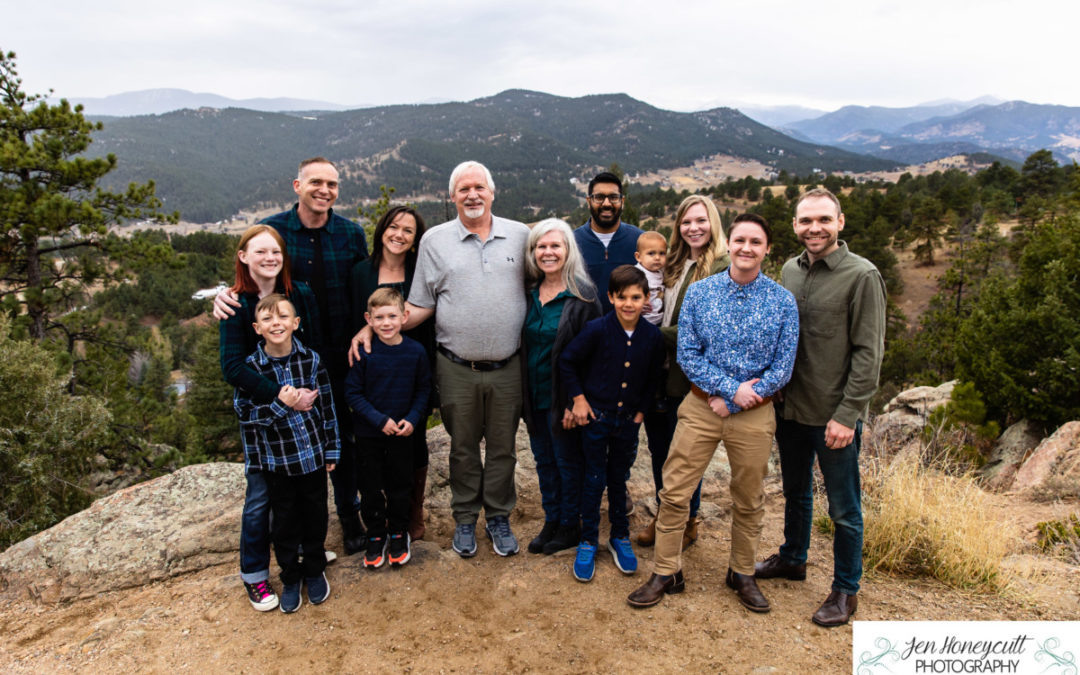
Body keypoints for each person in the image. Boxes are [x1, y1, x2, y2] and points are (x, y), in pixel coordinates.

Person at [351, 161, 529, 559]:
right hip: (455, 366)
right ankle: (465, 518)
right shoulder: (434, 240)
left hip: (509, 365)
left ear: (492, 192)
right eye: (463, 189)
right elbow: (419, 305)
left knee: (503, 448)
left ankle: (499, 516)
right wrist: (376, 327)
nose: (472, 195)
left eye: (479, 188)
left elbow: (544, 283)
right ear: (452, 197)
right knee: (462, 448)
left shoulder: (521, 235)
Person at [627, 214, 798, 611]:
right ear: (729, 244)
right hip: (702, 407)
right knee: (675, 492)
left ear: (767, 249)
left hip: (754, 412)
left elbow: (783, 366)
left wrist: (737, 398)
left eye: (756, 242)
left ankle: (742, 571)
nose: (746, 248)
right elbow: (687, 353)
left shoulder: (782, 301)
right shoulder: (702, 294)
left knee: (749, 496)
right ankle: (666, 571)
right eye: (740, 240)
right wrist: (725, 389)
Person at [215, 157, 369, 556]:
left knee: (342, 442)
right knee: (284, 455)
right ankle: (286, 543)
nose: (325, 190)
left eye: (332, 184)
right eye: (316, 182)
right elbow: (251, 274)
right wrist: (223, 295)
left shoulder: (352, 235)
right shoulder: (275, 231)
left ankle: (350, 520)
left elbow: (364, 288)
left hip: (339, 354)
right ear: (297, 185)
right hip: (283, 360)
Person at [754, 188, 886, 627]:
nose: (815, 228)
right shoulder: (790, 270)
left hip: (833, 416)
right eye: (806, 221)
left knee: (844, 509)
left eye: (823, 220)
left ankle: (846, 590)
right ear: (794, 225)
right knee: (795, 493)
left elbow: (869, 354)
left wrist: (848, 415)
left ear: (840, 222)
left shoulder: (862, 276)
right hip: (790, 409)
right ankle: (793, 558)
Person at [219, 225, 322, 612]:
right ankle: (255, 575)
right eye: (259, 252)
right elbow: (231, 368)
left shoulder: (300, 296)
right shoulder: (235, 304)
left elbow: (312, 345)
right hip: (264, 416)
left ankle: (301, 558)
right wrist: (277, 394)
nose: (269, 259)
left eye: (275, 252)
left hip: (303, 414)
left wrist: (311, 392)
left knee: (301, 495)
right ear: (243, 257)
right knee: (261, 497)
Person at [233, 294, 339, 614]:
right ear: (256, 328)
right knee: (284, 524)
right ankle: (291, 575)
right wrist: (282, 404)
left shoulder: (311, 360)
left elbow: (328, 408)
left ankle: (315, 566)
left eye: (283, 317)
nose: (276, 323)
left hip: (311, 459)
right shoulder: (251, 368)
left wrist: (332, 448)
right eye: (267, 319)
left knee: (315, 515)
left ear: (296, 323)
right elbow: (245, 414)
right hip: (277, 464)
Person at [559, 265, 665, 583]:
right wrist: (578, 399)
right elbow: (568, 361)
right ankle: (589, 539)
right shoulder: (597, 329)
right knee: (593, 479)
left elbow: (653, 377)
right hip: (596, 420)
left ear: (647, 298)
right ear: (611, 297)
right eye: (622, 298)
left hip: (627, 423)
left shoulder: (652, 336)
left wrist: (641, 412)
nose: (629, 304)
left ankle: (619, 536)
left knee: (618, 479)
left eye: (636, 297)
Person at [637, 195, 729, 550]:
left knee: (686, 456)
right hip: (658, 374)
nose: (694, 228)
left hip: (689, 378)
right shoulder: (670, 263)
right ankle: (668, 515)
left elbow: (707, 330)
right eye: (687, 222)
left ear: (714, 223)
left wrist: (647, 332)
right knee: (661, 451)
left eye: (701, 221)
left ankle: (684, 522)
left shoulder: (721, 267)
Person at [348, 206, 435, 541]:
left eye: (408, 231)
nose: (399, 234)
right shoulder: (360, 272)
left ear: (416, 240)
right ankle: (378, 519)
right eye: (393, 227)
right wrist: (366, 332)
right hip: (373, 369)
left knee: (415, 440)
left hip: (414, 363)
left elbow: (434, 305)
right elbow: (356, 317)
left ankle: (412, 514)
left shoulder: (420, 271)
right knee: (372, 447)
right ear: (382, 229)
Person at [520, 219, 602, 555]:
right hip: (534, 395)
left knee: (568, 463)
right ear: (533, 252)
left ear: (568, 251)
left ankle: (571, 525)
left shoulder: (584, 297)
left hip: (563, 398)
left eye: (556, 246)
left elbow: (595, 357)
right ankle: (552, 520)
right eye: (541, 246)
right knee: (544, 462)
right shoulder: (529, 294)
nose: (548, 252)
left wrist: (576, 402)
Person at [345, 288, 431, 569]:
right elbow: (352, 393)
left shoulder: (415, 351)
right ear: (368, 319)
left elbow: (423, 390)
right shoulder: (364, 352)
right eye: (379, 317)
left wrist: (413, 419)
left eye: (392, 316)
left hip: (402, 434)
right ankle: (375, 534)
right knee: (370, 489)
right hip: (370, 435)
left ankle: (398, 532)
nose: (386, 323)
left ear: (404, 316)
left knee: (399, 486)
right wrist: (378, 420)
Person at [573, 172, 645, 315]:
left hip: (629, 333)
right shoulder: (571, 242)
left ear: (622, 201)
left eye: (613, 197)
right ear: (588, 201)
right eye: (599, 197)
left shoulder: (640, 241)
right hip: (583, 333)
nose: (606, 204)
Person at [633, 231, 667, 326]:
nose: (657, 257)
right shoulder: (636, 274)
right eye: (651, 253)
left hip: (659, 322)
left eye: (662, 253)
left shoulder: (662, 273)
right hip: (639, 322)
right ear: (638, 257)